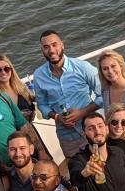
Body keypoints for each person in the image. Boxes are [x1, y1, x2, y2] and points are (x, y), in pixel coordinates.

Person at [33, 29, 103, 159]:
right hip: (67, 136)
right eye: (46, 47)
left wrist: (82, 112)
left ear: (62, 45)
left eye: (54, 44)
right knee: (78, 173)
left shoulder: (83, 67)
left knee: (103, 165)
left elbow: (103, 94)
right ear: (42, 50)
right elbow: (42, 105)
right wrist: (58, 117)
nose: (52, 50)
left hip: (92, 129)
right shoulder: (38, 75)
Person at [0, 52, 50, 159]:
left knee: (45, 161)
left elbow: (33, 104)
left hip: (31, 133)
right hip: (14, 141)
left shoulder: (21, 88)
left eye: (6, 68)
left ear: (11, 69)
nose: (3, 72)